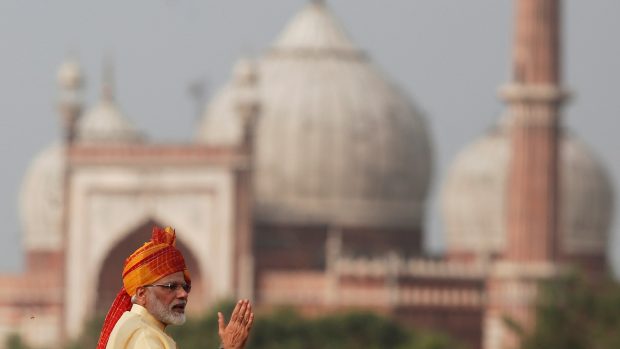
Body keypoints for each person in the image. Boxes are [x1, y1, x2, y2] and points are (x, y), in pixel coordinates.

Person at [97, 225, 254, 349]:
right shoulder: (144, 336)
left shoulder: (140, 328)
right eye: (171, 286)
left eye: (185, 287)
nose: (183, 294)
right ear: (142, 294)